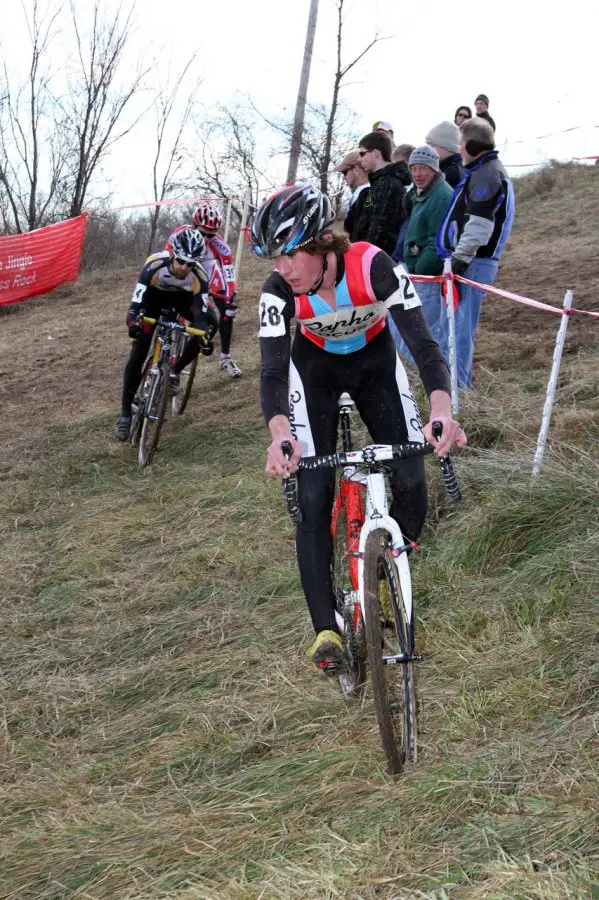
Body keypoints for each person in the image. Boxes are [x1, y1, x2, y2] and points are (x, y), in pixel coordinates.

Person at [252, 182, 466, 672]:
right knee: (311, 500)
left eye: (287, 256)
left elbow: (425, 348)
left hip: (375, 366)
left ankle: (389, 569)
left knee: (412, 482)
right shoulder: (278, 291)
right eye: (274, 259)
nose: (279, 269)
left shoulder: (375, 266)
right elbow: (271, 372)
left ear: (322, 242)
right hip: (316, 373)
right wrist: (280, 433)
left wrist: (441, 412)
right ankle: (325, 627)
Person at [114, 227, 217, 441]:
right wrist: (133, 322)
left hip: (181, 300)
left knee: (210, 324)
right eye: (181, 261)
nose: (184, 268)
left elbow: (199, 316)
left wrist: (203, 338)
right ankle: (125, 414)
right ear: (173, 254)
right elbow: (135, 305)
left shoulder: (199, 276)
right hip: (153, 300)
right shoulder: (154, 265)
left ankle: (174, 372)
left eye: (190, 263)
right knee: (139, 352)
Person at [437, 117, 514, 387]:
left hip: (474, 262)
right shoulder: (483, 170)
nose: (458, 148)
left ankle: (458, 389)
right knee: (453, 328)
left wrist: (460, 258)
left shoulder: (486, 173)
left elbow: (480, 224)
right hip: (473, 260)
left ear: (470, 144)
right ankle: (453, 386)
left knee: (459, 331)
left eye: (460, 142)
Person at [166, 203, 242, 377]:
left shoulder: (220, 245)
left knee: (226, 309)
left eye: (211, 235)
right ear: (194, 226)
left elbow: (228, 275)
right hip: (184, 270)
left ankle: (225, 357)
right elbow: (167, 260)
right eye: (203, 233)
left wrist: (231, 296)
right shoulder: (180, 234)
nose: (207, 239)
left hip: (207, 269)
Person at [352, 131, 408, 256]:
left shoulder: (388, 184)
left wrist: (364, 257)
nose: (359, 159)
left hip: (375, 261)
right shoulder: (378, 183)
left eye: (362, 153)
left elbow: (378, 230)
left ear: (375, 153)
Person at [334, 150, 370, 241]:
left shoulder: (367, 194)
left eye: (345, 172)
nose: (344, 177)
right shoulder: (359, 194)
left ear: (357, 170)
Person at [425, 121, 464, 188]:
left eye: (432, 145)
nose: (428, 149)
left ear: (446, 147)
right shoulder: (449, 167)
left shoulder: (450, 173)